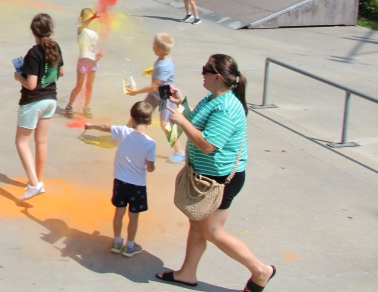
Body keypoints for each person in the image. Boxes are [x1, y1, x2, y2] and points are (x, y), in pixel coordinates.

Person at [156, 55, 276, 292]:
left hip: (219, 181)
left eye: (205, 70)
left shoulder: (227, 108)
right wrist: (184, 104)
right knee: (197, 224)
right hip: (203, 176)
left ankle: (261, 270)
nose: (202, 73)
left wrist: (181, 121)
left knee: (212, 231)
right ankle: (187, 273)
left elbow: (208, 145)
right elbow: (198, 126)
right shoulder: (213, 98)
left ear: (217, 77)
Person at [84, 101, 157, 258]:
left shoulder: (124, 131)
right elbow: (150, 168)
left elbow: (105, 126)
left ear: (132, 118)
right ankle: (130, 246)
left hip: (120, 180)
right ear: (149, 121)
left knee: (119, 211)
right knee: (134, 215)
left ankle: (117, 242)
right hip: (137, 184)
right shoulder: (150, 143)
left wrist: (90, 125)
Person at [14, 13, 63, 200]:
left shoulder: (33, 53)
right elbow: (62, 71)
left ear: (33, 31)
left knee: (21, 142)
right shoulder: (55, 47)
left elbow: (31, 84)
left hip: (33, 101)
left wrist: (18, 77)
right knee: (41, 141)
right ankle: (38, 180)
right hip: (51, 100)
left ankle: (34, 184)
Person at [125, 33, 185, 163]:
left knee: (165, 124)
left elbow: (153, 87)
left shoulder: (164, 66)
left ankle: (180, 152)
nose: (152, 46)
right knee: (139, 112)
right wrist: (153, 71)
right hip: (157, 92)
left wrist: (136, 92)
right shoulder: (163, 58)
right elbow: (160, 75)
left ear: (158, 49)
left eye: (154, 45)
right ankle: (124, 134)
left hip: (165, 95)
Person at [65, 7, 102, 119]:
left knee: (89, 86)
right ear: (81, 19)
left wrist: (98, 55)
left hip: (93, 62)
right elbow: (84, 25)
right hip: (83, 62)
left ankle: (86, 107)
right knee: (79, 86)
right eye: (88, 18)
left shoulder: (94, 33)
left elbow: (93, 48)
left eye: (92, 18)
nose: (90, 20)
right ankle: (69, 106)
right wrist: (90, 18)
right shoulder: (81, 29)